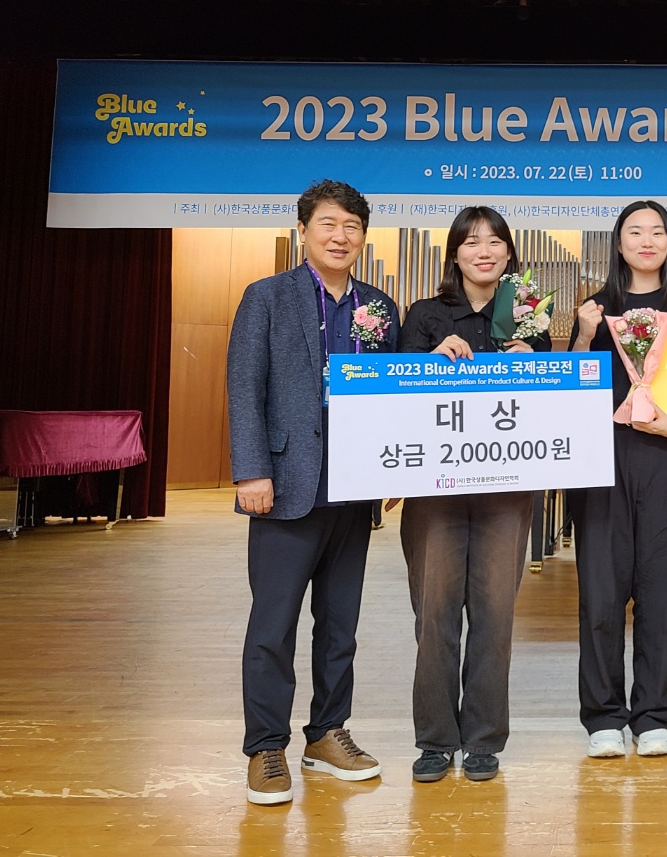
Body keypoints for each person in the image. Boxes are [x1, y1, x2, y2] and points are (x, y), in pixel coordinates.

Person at [227, 179, 400, 805]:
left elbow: (392, 393)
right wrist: (251, 470)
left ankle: (327, 733)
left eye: (352, 226)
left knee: (340, 625)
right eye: (328, 224)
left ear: (364, 237)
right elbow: (244, 385)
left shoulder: (379, 306)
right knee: (272, 626)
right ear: (303, 231)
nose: (340, 236)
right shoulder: (267, 297)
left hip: (353, 490)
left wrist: (390, 470)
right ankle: (265, 747)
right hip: (286, 486)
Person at [393, 207, 551, 785]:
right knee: (434, 614)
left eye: (495, 241)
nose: (484, 251)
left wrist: (536, 366)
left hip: (505, 493)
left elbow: (547, 410)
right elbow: (395, 398)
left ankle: (484, 739)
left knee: (495, 615)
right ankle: (436, 739)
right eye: (471, 242)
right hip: (434, 492)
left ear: (509, 253)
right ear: (455, 254)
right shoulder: (425, 315)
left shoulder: (530, 321)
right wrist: (427, 364)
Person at [567, 200, 667, 758]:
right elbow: (571, 384)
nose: (647, 240)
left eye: (657, 231)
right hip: (601, 460)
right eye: (635, 231)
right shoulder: (596, 307)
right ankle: (603, 717)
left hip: (665, 457)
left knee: (662, 588)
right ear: (619, 242)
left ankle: (654, 715)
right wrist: (584, 334)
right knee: (601, 591)